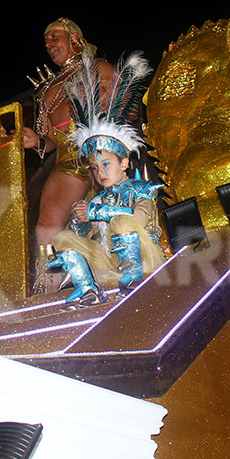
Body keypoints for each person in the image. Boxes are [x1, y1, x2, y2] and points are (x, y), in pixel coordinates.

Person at [46, 52, 165, 307]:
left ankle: (133, 282)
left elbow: (139, 219)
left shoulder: (141, 188)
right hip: (108, 265)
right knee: (61, 239)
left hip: (146, 259)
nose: (100, 172)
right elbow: (85, 235)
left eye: (106, 164)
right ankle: (89, 290)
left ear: (124, 163)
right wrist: (80, 220)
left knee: (122, 222)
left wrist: (98, 211)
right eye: (95, 167)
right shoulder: (97, 197)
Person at [22, 18, 114, 290]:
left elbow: (124, 110)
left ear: (74, 39)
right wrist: (35, 141)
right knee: (46, 226)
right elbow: (50, 142)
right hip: (68, 163)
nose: (49, 44)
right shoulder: (48, 91)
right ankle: (48, 288)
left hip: (102, 156)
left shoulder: (98, 68)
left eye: (55, 37)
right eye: (46, 41)